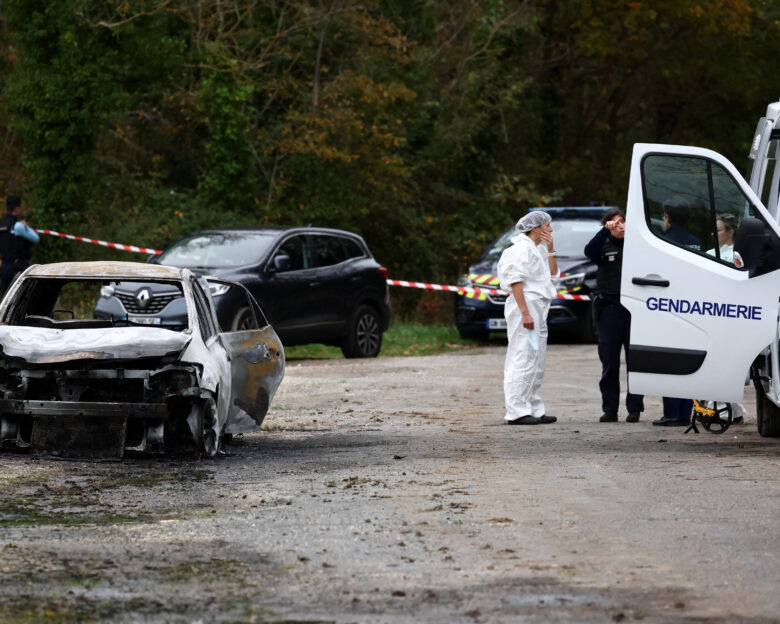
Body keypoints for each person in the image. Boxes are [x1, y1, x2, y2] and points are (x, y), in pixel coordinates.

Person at [497, 211, 560, 425]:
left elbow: (552, 275)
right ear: (536, 228)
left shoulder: (538, 250)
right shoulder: (519, 250)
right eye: (548, 226)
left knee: (536, 357)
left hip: (539, 306)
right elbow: (515, 281)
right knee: (523, 355)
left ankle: (533, 408)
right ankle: (516, 411)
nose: (551, 230)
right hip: (527, 305)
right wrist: (525, 312)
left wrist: (551, 250)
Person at [584, 208, 644, 423]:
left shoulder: (637, 245)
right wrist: (604, 231)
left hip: (633, 311)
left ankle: (635, 408)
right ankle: (610, 409)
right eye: (614, 223)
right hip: (609, 310)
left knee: (635, 361)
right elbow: (589, 251)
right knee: (609, 362)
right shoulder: (603, 246)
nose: (620, 226)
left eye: (622, 221)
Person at [654, 196, 700, 426]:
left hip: (668, 308)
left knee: (669, 362)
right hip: (692, 309)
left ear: (668, 218)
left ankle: (672, 413)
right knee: (688, 362)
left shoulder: (663, 241)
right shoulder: (696, 242)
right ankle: (687, 412)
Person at [0, 195, 39, 295]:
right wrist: (26, 227)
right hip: (16, 268)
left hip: (4, 267)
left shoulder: (1, 224)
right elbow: (36, 238)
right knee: (20, 298)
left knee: (5, 298)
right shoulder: (17, 225)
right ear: (17, 208)